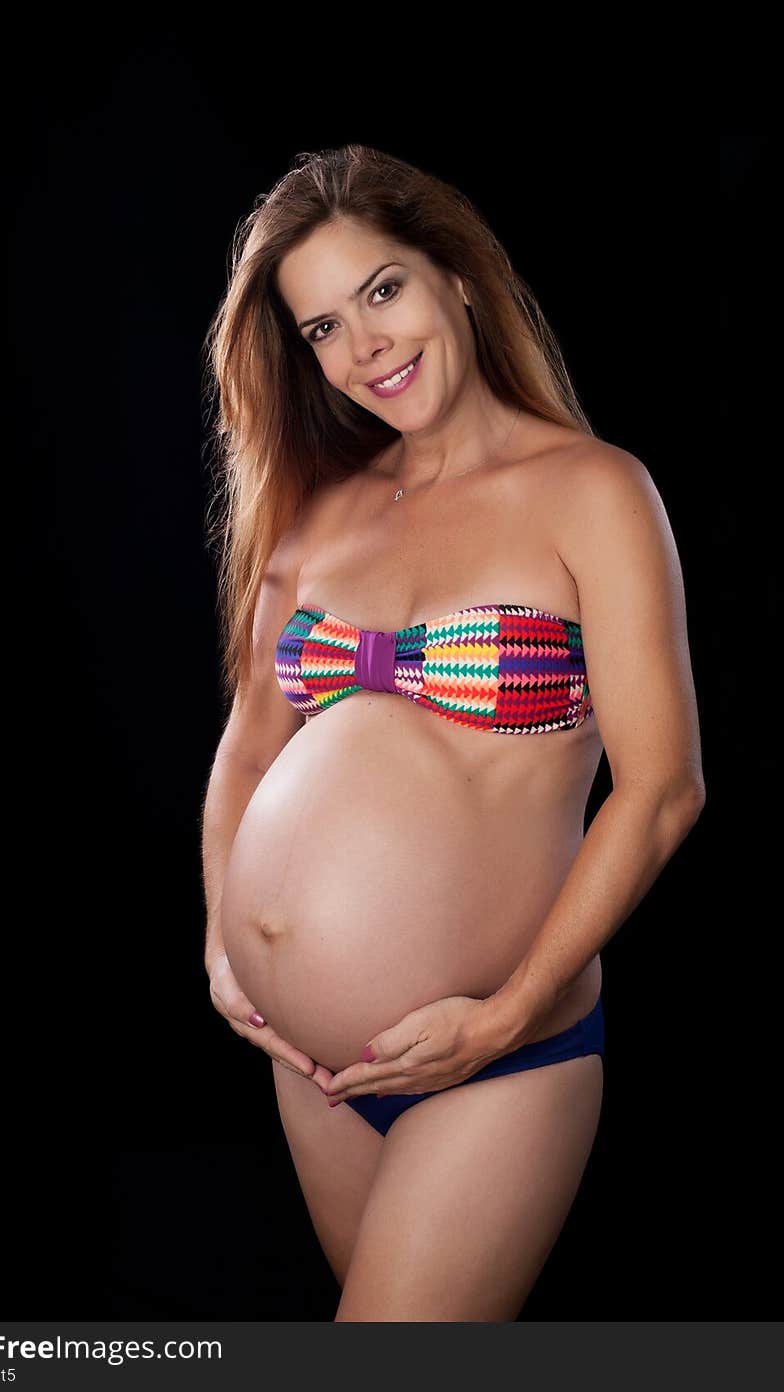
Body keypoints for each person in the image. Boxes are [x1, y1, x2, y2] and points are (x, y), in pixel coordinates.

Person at [200, 144, 705, 1321]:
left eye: (382, 290)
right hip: (313, 1070)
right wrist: (227, 945)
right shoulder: (315, 513)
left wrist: (506, 1014)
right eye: (323, 328)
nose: (364, 345)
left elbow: (662, 790)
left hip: (495, 1052)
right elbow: (245, 751)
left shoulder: (594, 490)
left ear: (456, 277)